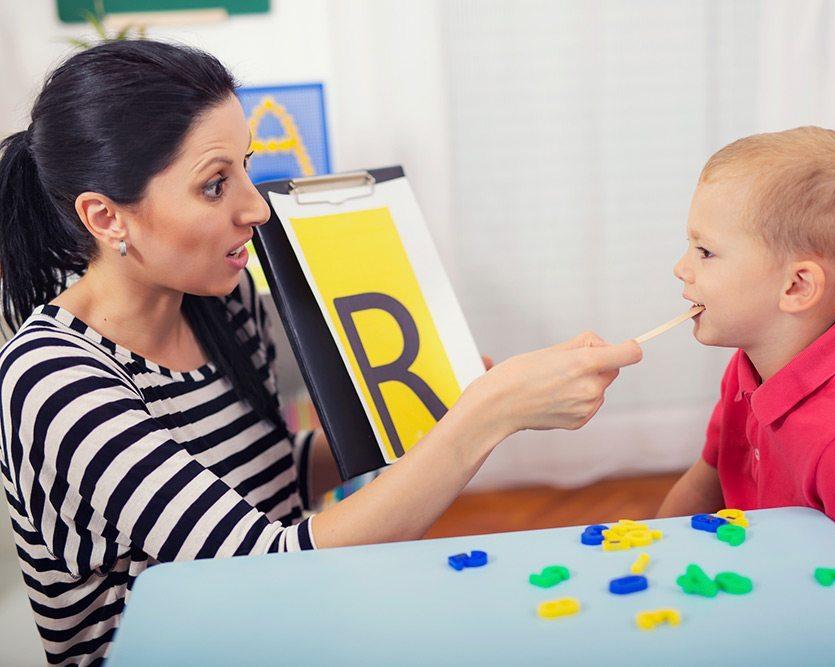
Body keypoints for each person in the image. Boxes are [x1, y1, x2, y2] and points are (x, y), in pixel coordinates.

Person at [0, 40, 642, 665]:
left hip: (284, 624)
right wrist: (486, 418)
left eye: (246, 166)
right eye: (215, 185)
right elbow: (270, 562)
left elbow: (273, 473)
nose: (256, 206)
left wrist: (450, 404)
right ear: (107, 218)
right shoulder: (54, 383)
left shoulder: (221, 304)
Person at [656, 126, 835, 613]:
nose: (681, 267)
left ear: (796, 287)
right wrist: (648, 559)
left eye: (704, 251)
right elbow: (704, 482)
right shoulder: (746, 369)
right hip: (765, 582)